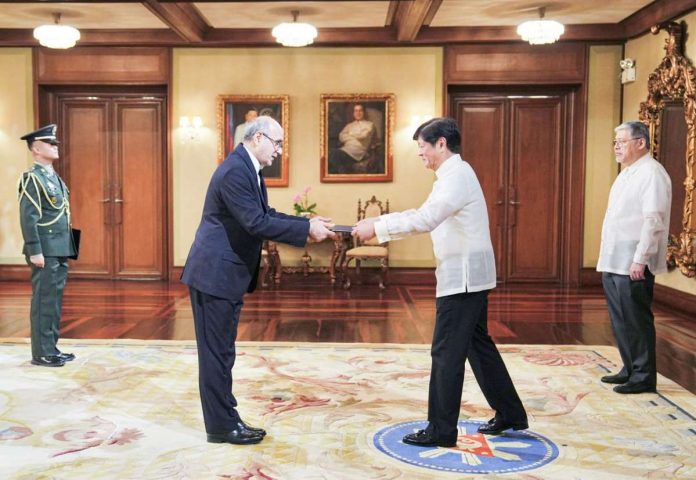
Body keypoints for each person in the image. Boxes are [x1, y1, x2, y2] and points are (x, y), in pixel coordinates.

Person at [353, 117, 527, 447]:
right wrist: (378, 220)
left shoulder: (456, 176)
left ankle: (441, 430)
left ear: (441, 144)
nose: (420, 154)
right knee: (478, 346)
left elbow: (426, 219)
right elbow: (425, 211)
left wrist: (377, 229)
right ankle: (511, 413)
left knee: (446, 352)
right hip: (468, 273)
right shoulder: (451, 176)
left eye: (422, 147)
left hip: (462, 277)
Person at [181, 115, 334, 445]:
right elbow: (255, 223)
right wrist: (306, 231)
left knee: (223, 351)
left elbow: (265, 215)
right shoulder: (237, 170)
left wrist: (305, 222)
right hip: (214, 275)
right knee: (217, 354)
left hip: (223, 275)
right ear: (258, 137)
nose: (280, 150)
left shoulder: (247, 168)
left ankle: (226, 417)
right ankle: (221, 427)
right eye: (277, 143)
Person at [597, 121, 671, 394]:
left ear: (641, 143)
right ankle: (629, 368)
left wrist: (641, 259)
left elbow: (654, 220)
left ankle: (643, 376)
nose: (616, 146)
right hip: (615, 259)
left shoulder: (652, 173)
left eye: (622, 141)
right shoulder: (627, 173)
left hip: (633, 260)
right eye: (614, 141)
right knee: (620, 318)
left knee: (636, 319)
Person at [17, 124, 77, 368]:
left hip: (60, 246)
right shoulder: (32, 178)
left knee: (54, 300)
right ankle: (41, 352)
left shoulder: (54, 177)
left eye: (55, 143)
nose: (55, 147)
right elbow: (28, 217)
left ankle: (50, 347)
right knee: (44, 301)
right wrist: (35, 250)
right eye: (50, 144)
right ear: (36, 148)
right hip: (45, 249)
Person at [329, 104, 380, 174]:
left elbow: (363, 136)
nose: (358, 113)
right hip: (346, 149)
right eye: (356, 111)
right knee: (331, 154)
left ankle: (342, 175)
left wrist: (349, 135)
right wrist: (356, 136)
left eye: (360, 111)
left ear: (364, 112)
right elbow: (341, 136)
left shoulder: (370, 124)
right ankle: (343, 173)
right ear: (353, 113)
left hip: (358, 151)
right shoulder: (349, 125)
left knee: (333, 155)